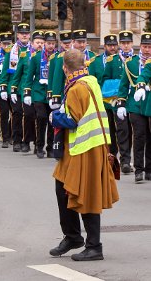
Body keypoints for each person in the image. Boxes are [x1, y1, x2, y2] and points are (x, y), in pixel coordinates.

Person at [50, 49, 119, 261]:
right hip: (83, 146)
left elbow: (72, 120)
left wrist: (54, 116)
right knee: (62, 187)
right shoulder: (90, 81)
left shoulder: (76, 88)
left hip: (85, 148)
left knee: (86, 194)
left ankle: (94, 246)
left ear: (64, 68)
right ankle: (72, 236)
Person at [102, 31, 133, 174]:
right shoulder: (112, 60)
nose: (126, 46)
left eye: (128, 43)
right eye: (124, 43)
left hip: (133, 101)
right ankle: (125, 160)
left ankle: (127, 157)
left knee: (133, 130)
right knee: (121, 130)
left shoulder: (137, 59)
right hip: (116, 101)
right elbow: (105, 80)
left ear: (132, 44)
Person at [123, 33, 151, 182]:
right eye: (145, 46)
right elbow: (124, 83)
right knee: (139, 136)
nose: (147, 50)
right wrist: (121, 102)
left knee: (150, 137)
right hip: (135, 105)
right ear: (140, 47)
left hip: (149, 104)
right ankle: (139, 170)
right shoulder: (131, 62)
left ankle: (149, 170)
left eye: (150, 47)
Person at [11, 31, 44, 153]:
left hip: (40, 92)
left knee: (40, 118)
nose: (39, 45)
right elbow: (17, 75)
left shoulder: (47, 57)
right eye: (37, 42)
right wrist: (13, 90)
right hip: (27, 91)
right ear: (32, 43)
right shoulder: (25, 55)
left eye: (41, 42)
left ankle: (38, 143)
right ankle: (25, 141)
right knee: (29, 115)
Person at [24, 31, 55, 158]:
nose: (50, 46)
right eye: (48, 43)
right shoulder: (36, 57)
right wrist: (27, 92)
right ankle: (39, 146)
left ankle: (50, 147)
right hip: (39, 93)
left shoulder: (58, 57)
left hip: (53, 94)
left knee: (52, 121)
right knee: (41, 118)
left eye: (53, 43)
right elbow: (29, 76)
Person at [0, 23, 31, 152]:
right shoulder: (11, 51)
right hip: (15, 89)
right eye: (22, 33)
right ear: (17, 35)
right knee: (17, 113)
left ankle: (27, 140)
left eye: (27, 33)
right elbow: (5, 72)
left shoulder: (33, 50)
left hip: (29, 89)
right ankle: (17, 140)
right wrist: (3, 88)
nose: (24, 35)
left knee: (30, 115)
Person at [89, 34, 119, 160]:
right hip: (101, 100)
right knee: (107, 127)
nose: (112, 48)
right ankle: (108, 152)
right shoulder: (95, 61)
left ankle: (118, 153)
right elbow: (91, 81)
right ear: (104, 46)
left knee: (119, 127)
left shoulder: (120, 60)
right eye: (109, 45)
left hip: (116, 99)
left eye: (114, 45)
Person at [50, 29, 95, 110]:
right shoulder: (64, 56)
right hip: (70, 93)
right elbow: (58, 78)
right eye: (79, 42)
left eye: (84, 42)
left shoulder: (92, 56)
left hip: (88, 93)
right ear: (73, 42)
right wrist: (56, 97)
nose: (82, 45)